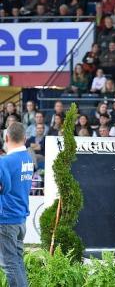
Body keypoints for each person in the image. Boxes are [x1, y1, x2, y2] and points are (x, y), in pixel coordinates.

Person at [0, 122, 33, 287]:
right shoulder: (28, 157)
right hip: (20, 218)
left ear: (6, 137)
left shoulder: (4, 162)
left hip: (6, 219)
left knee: (9, 264)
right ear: (25, 138)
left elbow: (3, 188)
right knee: (17, 262)